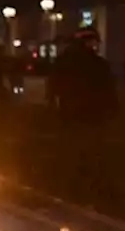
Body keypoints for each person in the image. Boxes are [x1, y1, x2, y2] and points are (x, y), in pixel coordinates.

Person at [47, 28, 117, 202]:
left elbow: (53, 86)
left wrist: (54, 106)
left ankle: (71, 189)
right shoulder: (98, 64)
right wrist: (112, 109)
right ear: (89, 42)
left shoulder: (63, 61)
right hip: (92, 114)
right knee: (92, 152)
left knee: (72, 152)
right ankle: (91, 189)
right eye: (95, 42)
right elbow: (108, 89)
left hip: (69, 113)